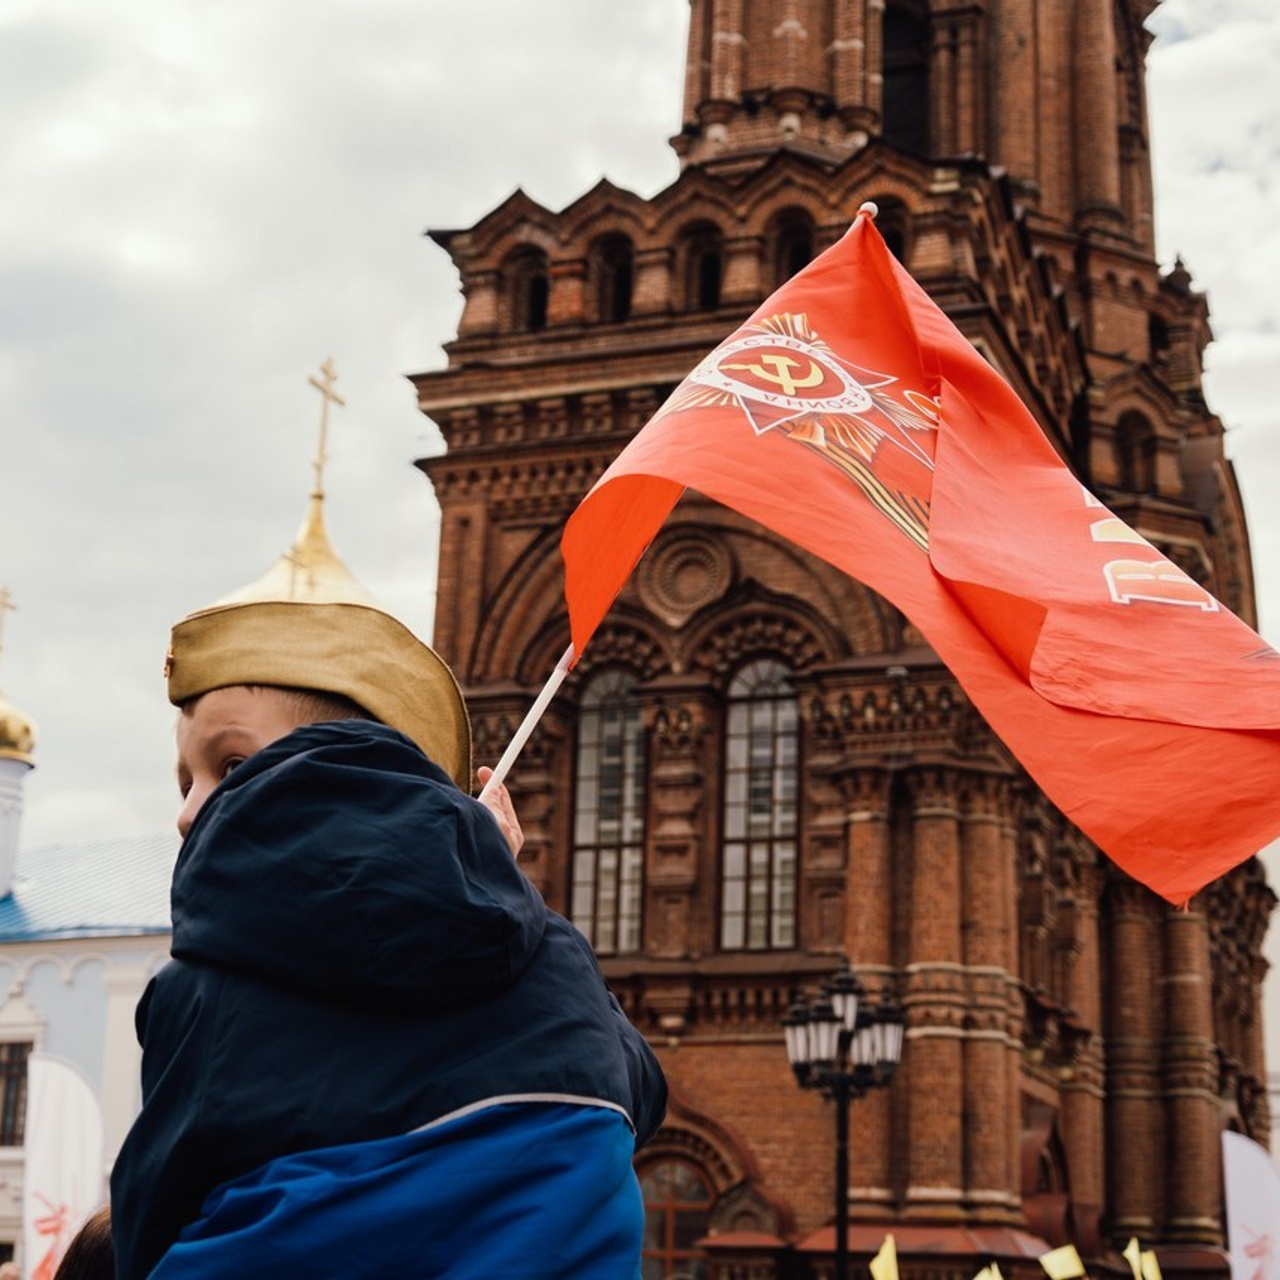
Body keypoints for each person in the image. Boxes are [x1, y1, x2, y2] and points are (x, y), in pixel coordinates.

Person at [109, 565, 667, 1278]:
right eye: (186, 780)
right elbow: (632, 1095)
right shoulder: (553, 959)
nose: (189, 811)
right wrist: (499, 883)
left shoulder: (202, 984)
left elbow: (151, 1211)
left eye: (233, 762)